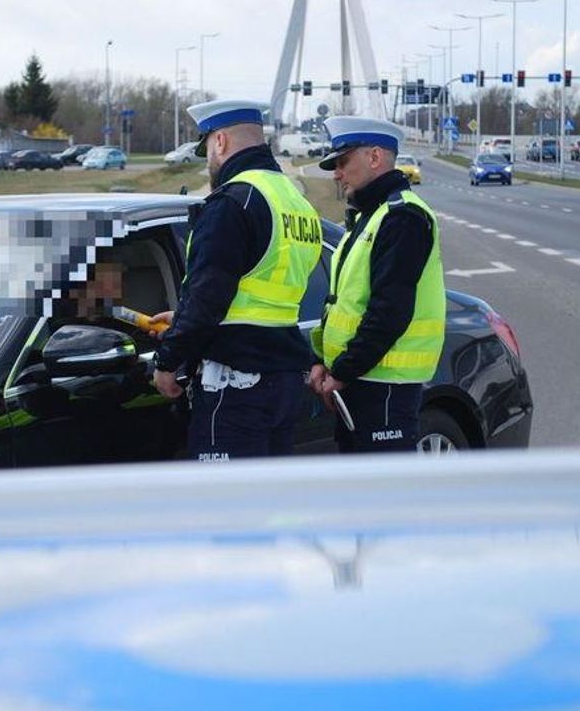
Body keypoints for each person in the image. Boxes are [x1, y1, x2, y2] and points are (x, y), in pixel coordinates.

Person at [151, 99, 323, 461]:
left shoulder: (232, 202)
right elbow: (255, 289)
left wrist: (168, 363)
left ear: (221, 142)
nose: (210, 161)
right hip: (285, 379)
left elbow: (207, 297)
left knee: (227, 508)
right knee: (268, 502)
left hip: (237, 384)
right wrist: (181, 317)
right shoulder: (296, 203)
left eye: (208, 149)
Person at [308, 116, 446, 453]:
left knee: (384, 500)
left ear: (374, 157)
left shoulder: (402, 217)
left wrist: (341, 369)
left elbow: (389, 312)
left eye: (342, 162)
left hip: (385, 387)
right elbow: (343, 305)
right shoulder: (371, 215)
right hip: (360, 382)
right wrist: (324, 362)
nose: (337, 174)